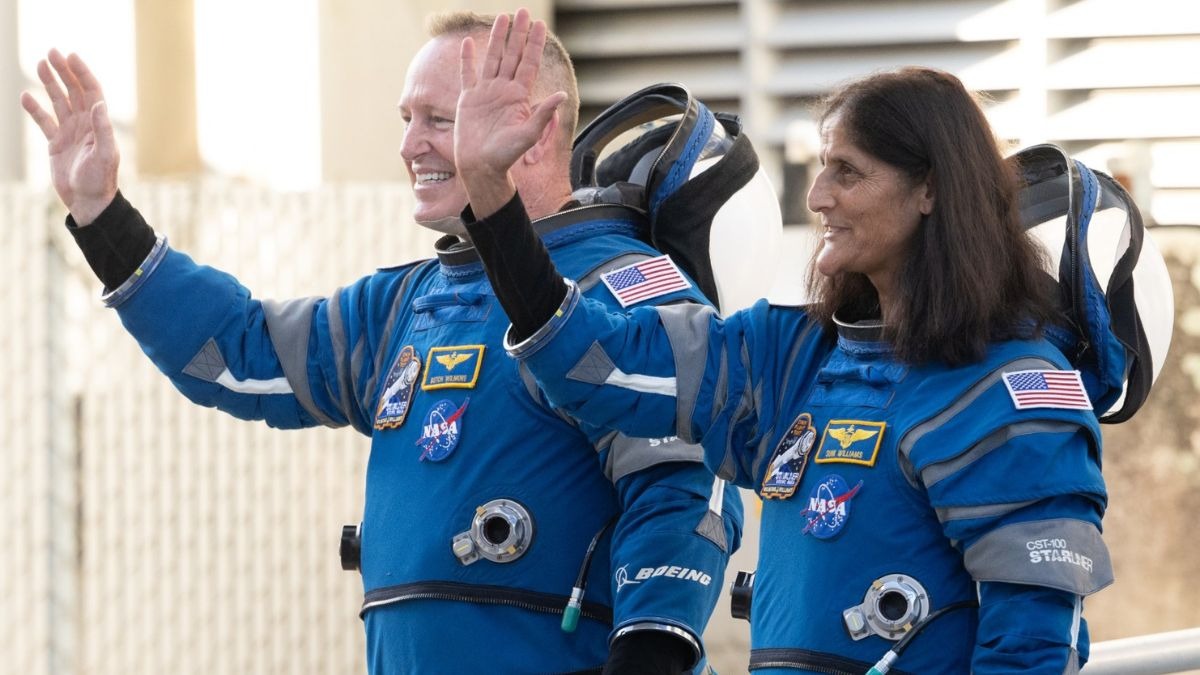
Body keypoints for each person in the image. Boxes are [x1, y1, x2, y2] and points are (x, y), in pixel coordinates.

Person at [20, 10, 744, 675]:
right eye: (406, 118)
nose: (408, 144)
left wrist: (650, 649)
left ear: (536, 128)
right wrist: (104, 217)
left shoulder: (621, 286)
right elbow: (236, 354)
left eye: (439, 119)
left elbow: (686, 480)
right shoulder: (406, 303)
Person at [453, 13, 1113, 674]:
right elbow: (599, 364)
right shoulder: (793, 355)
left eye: (847, 173)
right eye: (823, 167)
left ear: (931, 190)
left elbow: (1032, 649)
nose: (818, 196)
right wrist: (491, 193)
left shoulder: (1012, 392)